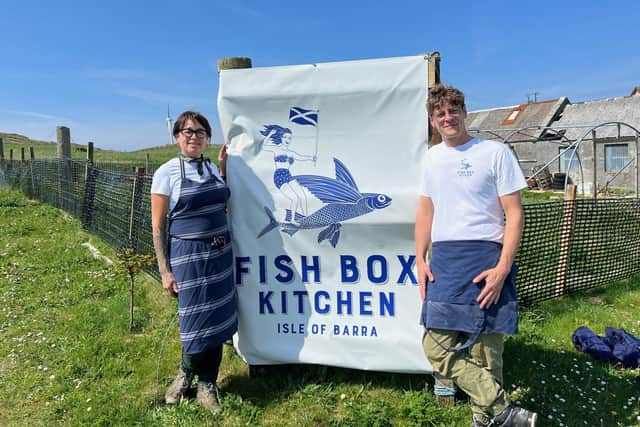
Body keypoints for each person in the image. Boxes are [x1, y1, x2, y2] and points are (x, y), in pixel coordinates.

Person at [415, 84, 538, 427]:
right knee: (436, 348)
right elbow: (425, 212)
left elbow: (514, 214)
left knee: (486, 351)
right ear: (432, 120)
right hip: (444, 262)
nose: (447, 117)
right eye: (440, 113)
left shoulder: (494, 152)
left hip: (486, 257)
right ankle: (503, 410)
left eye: (453, 110)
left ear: (465, 112)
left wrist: (502, 269)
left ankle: (484, 419)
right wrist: (420, 260)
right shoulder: (431, 158)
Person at [151, 111, 237, 414]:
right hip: (189, 257)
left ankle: (207, 384)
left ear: (207, 139)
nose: (194, 137)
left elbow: (221, 199)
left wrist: (224, 170)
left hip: (220, 255)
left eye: (201, 132)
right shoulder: (167, 173)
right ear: (177, 136)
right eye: (188, 132)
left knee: (217, 319)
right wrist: (164, 270)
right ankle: (185, 373)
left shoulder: (212, 168)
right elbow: (158, 225)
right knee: (193, 319)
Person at [260, 124, 315, 223]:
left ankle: (306, 218)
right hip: (279, 176)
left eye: (289, 138)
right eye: (285, 137)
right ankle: (292, 220)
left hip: (288, 175)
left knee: (302, 196)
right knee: (294, 199)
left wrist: (311, 158)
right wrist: (270, 135)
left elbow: (301, 157)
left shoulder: (291, 152)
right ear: (281, 138)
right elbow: (263, 146)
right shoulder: (276, 149)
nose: (287, 139)